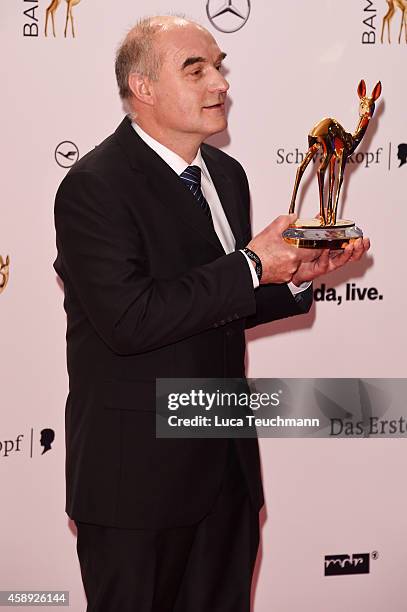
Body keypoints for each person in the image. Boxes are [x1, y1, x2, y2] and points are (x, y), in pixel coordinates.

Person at [53, 15, 370, 612]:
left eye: (219, 65)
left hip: (226, 471)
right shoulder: (94, 186)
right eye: (194, 69)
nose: (219, 82)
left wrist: (294, 280)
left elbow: (211, 306)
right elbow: (131, 319)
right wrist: (252, 265)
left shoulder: (226, 175)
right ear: (143, 88)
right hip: (136, 487)